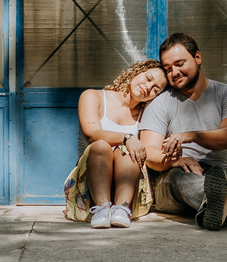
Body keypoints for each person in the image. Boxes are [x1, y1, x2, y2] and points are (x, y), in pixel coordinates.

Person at [139, 33, 227, 230]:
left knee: (224, 176)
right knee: (181, 177)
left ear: (197, 57)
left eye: (180, 63)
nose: (174, 72)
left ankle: (220, 205)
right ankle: (222, 197)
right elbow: (148, 151)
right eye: (168, 69)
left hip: (220, 171)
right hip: (173, 180)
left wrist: (190, 136)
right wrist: (176, 161)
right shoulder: (160, 102)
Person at [63, 59, 168, 229]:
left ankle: (122, 209)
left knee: (126, 151)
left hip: (127, 189)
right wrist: (128, 137)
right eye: (148, 78)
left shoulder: (146, 115)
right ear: (136, 71)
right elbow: (93, 135)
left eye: (156, 89)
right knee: (101, 146)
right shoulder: (93, 96)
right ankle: (102, 209)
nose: (149, 87)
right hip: (90, 188)